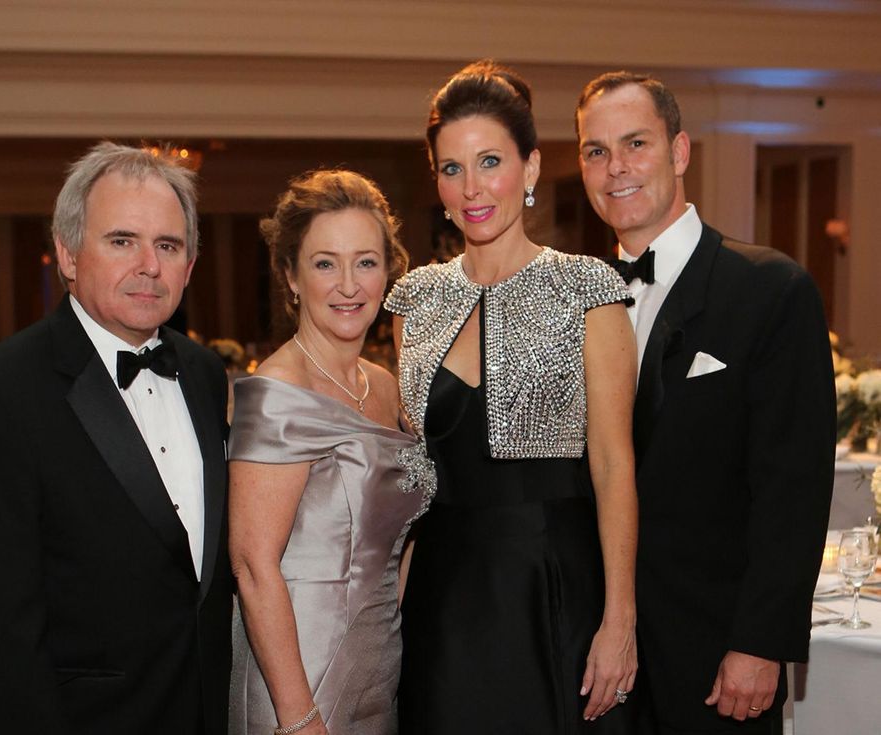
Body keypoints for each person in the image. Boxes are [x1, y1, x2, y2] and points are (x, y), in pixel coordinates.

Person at [0, 142, 232, 735]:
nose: (149, 265)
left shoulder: (203, 373)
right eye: (122, 241)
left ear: (190, 265)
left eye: (168, 245)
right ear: (68, 255)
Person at [575, 71, 836, 734]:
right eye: (596, 151)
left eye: (635, 143)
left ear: (680, 151)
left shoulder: (769, 290)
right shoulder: (575, 301)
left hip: (717, 654)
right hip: (595, 655)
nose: (615, 167)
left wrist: (760, 642)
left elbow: (794, 486)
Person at [387, 59, 639, 734]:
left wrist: (620, 621)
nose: (471, 187)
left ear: (530, 169)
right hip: (443, 598)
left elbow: (614, 467)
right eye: (452, 168)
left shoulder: (588, 290)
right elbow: (416, 470)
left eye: (490, 161)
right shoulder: (415, 300)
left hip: (554, 590)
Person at [228, 169, 431, 734]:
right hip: (297, 684)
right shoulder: (279, 392)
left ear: (388, 272)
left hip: (379, 669)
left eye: (365, 262)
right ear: (290, 276)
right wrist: (299, 719)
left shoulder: (386, 386)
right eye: (325, 264)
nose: (348, 285)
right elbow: (252, 565)